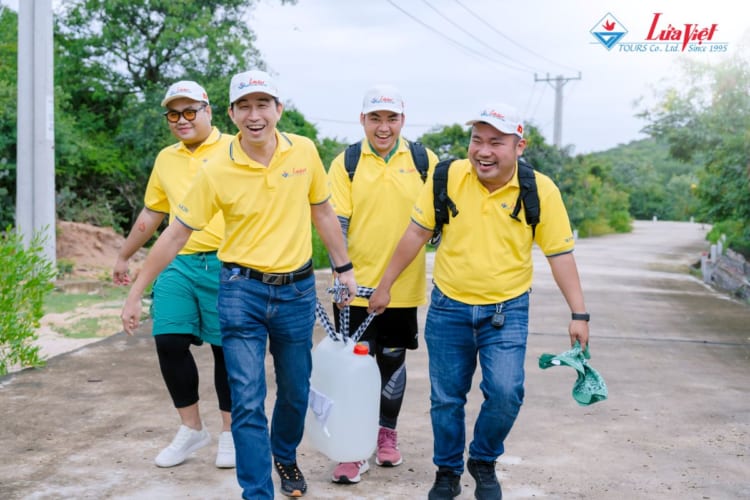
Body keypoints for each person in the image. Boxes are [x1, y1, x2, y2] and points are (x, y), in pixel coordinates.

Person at [120, 69, 357, 500]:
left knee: (295, 389)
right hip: (240, 292)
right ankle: (256, 492)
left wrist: (345, 270)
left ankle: (284, 453)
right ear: (231, 114)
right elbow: (174, 233)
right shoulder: (216, 168)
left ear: (278, 109)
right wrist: (137, 291)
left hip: (297, 291)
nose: (254, 114)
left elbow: (322, 211)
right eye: (244, 106)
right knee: (247, 400)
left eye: (263, 104)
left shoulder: (303, 151)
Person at [368, 103, 590, 500]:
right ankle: (448, 472)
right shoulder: (448, 176)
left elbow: (559, 253)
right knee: (447, 399)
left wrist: (579, 313)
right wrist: (385, 285)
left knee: (506, 393)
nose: (483, 151)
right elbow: (416, 234)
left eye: (495, 143)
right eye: (476, 140)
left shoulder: (539, 189)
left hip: (507, 311)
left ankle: (483, 461)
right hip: (449, 308)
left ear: (519, 146)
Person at [113, 81, 235, 469]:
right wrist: (124, 255)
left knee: (226, 351)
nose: (181, 120)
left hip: (227, 262)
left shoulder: (236, 148)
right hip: (177, 261)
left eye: (189, 111)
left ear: (208, 111)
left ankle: (231, 434)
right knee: (168, 339)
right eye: (173, 114)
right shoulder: (166, 158)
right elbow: (153, 214)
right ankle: (192, 429)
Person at [326, 84, 438, 484]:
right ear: (363, 120)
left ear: (403, 120)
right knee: (354, 369)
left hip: (403, 288)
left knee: (392, 361)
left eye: (391, 118)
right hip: (354, 286)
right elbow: (335, 220)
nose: (384, 127)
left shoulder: (425, 160)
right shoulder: (347, 162)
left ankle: (385, 434)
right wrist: (341, 273)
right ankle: (352, 450)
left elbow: (436, 222)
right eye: (375, 118)